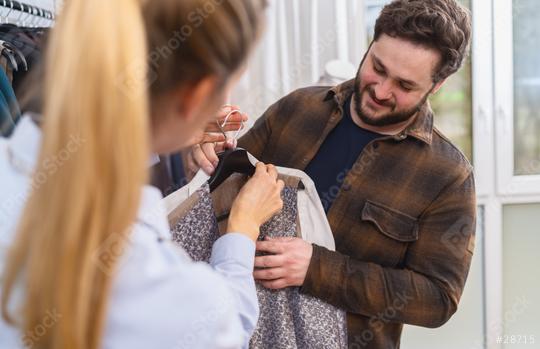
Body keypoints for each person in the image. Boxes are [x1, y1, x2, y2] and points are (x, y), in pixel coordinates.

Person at [188, 0, 477, 347]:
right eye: (378, 68)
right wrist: (202, 154)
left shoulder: (449, 176)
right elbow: (226, 182)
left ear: (437, 85)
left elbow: (437, 299)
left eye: (405, 85)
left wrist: (317, 269)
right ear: (370, 45)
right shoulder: (298, 108)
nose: (381, 91)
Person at [0, 0, 283, 348]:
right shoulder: (159, 286)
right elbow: (225, 327)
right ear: (198, 95)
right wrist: (242, 229)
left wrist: (159, 139)